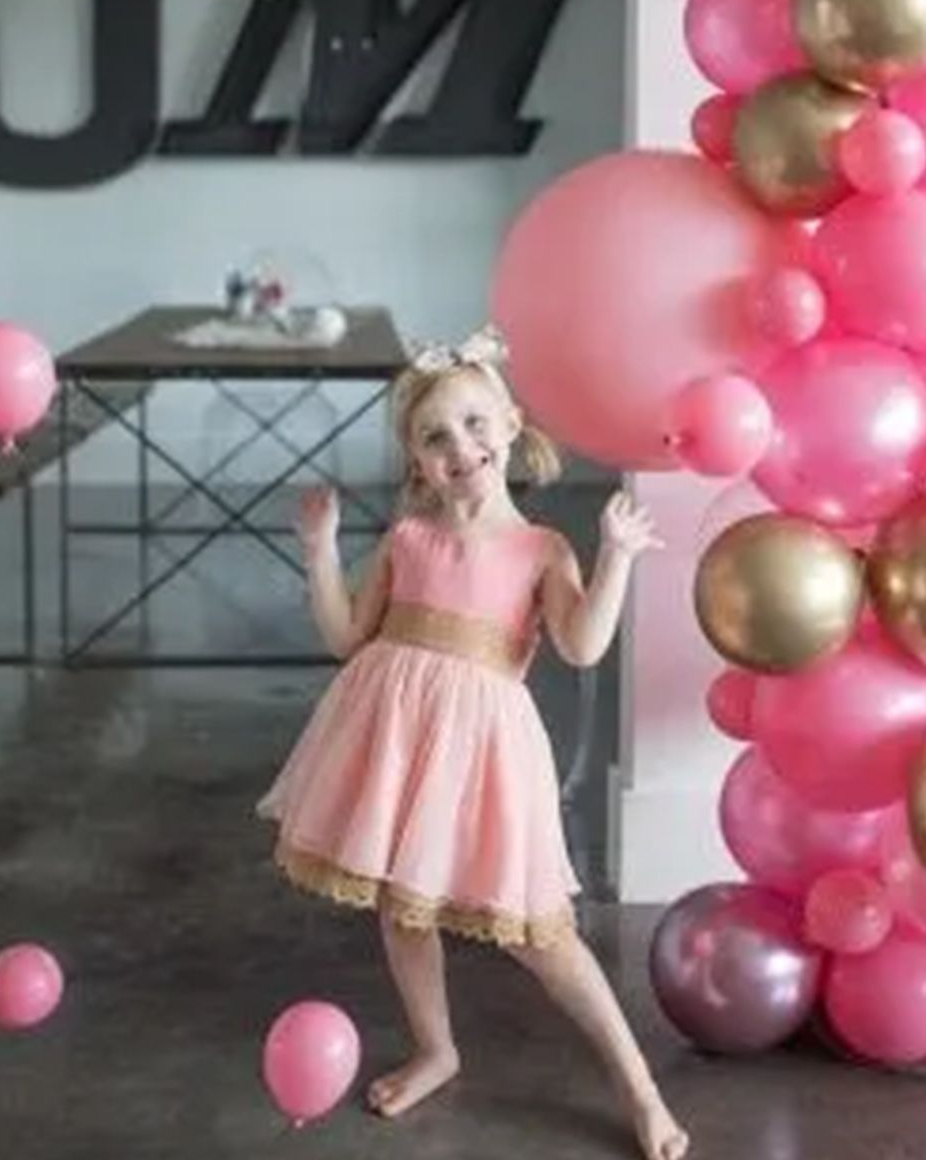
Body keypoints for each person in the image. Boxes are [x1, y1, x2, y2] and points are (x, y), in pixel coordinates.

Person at [257, 325, 688, 1160]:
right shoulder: (407, 541)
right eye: (436, 437)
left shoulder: (541, 550)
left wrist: (618, 557)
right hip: (392, 737)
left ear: (512, 426)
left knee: (540, 933)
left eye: (476, 423)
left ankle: (641, 1090)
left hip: (485, 751)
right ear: (417, 463)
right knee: (399, 897)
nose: (462, 446)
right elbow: (348, 636)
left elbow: (582, 644)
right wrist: (317, 554)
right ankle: (436, 1048)